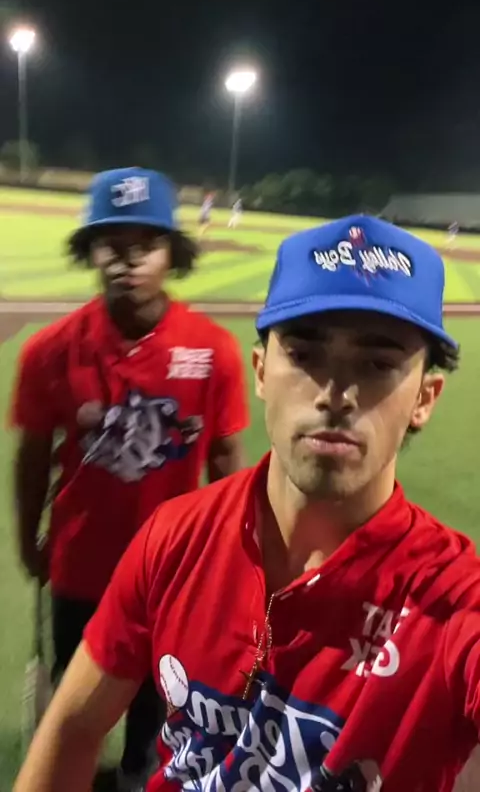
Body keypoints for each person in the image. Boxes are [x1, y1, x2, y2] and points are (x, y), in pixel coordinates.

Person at [14, 214, 480, 792]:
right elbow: (73, 726)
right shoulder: (176, 535)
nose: (336, 394)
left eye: (377, 364)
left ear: (424, 398)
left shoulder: (452, 601)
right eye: (304, 355)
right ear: (261, 372)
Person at [10, 167, 249, 792]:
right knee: (76, 701)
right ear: (90, 250)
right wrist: (28, 538)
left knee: (156, 701)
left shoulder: (212, 350)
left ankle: (136, 776)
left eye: (145, 243)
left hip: (172, 568)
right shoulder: (50, 350)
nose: (127, 259)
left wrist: (231, 552)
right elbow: (32, 457)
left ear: (172, 252)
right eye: (110, 243)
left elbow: (227, 459)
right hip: (80, 563)